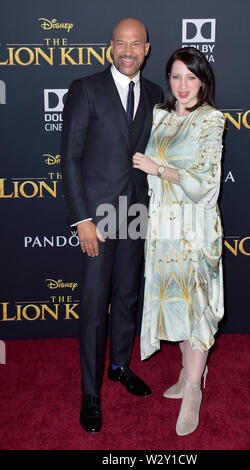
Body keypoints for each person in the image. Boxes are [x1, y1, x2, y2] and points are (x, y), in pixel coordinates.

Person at [61, 18, 163, 434]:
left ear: (147, 49)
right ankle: (90, 392)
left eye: (135, 44)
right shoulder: (85, 89)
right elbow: (70, 158)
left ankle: (119, 365)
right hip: (98, 219)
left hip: (136, 213)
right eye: (120, 43)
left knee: (126, 295)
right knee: (93, 307)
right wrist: (82, 219)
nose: (127, 50)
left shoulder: (156, 93)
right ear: (110, 47)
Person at [132, 47, 225, 436]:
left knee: (198, 307)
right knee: (179, 307)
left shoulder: (211, 120)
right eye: (175, 77)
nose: (183, 85)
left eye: (191, 77)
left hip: (196, 229)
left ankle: (192, 391)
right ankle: (190, 376)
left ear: (203, 80)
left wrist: (159, 168)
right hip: (164, 229)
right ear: (168, 80)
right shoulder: (159, 116)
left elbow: (206, 182)